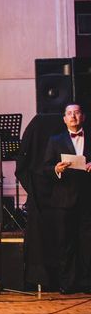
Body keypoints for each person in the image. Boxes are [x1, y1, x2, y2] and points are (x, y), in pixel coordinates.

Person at [43, 104, 91, 294]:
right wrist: (57, 169)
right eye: (69, 114)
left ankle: (88, 283)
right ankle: (67, 284)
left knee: (88, 242)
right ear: (64, 119)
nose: (73, 116)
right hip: (64, 199)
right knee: (65, 243)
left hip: (88, 197)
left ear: (83, 117)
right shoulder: (55, 140)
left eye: (77, 113)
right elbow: (45, 168)